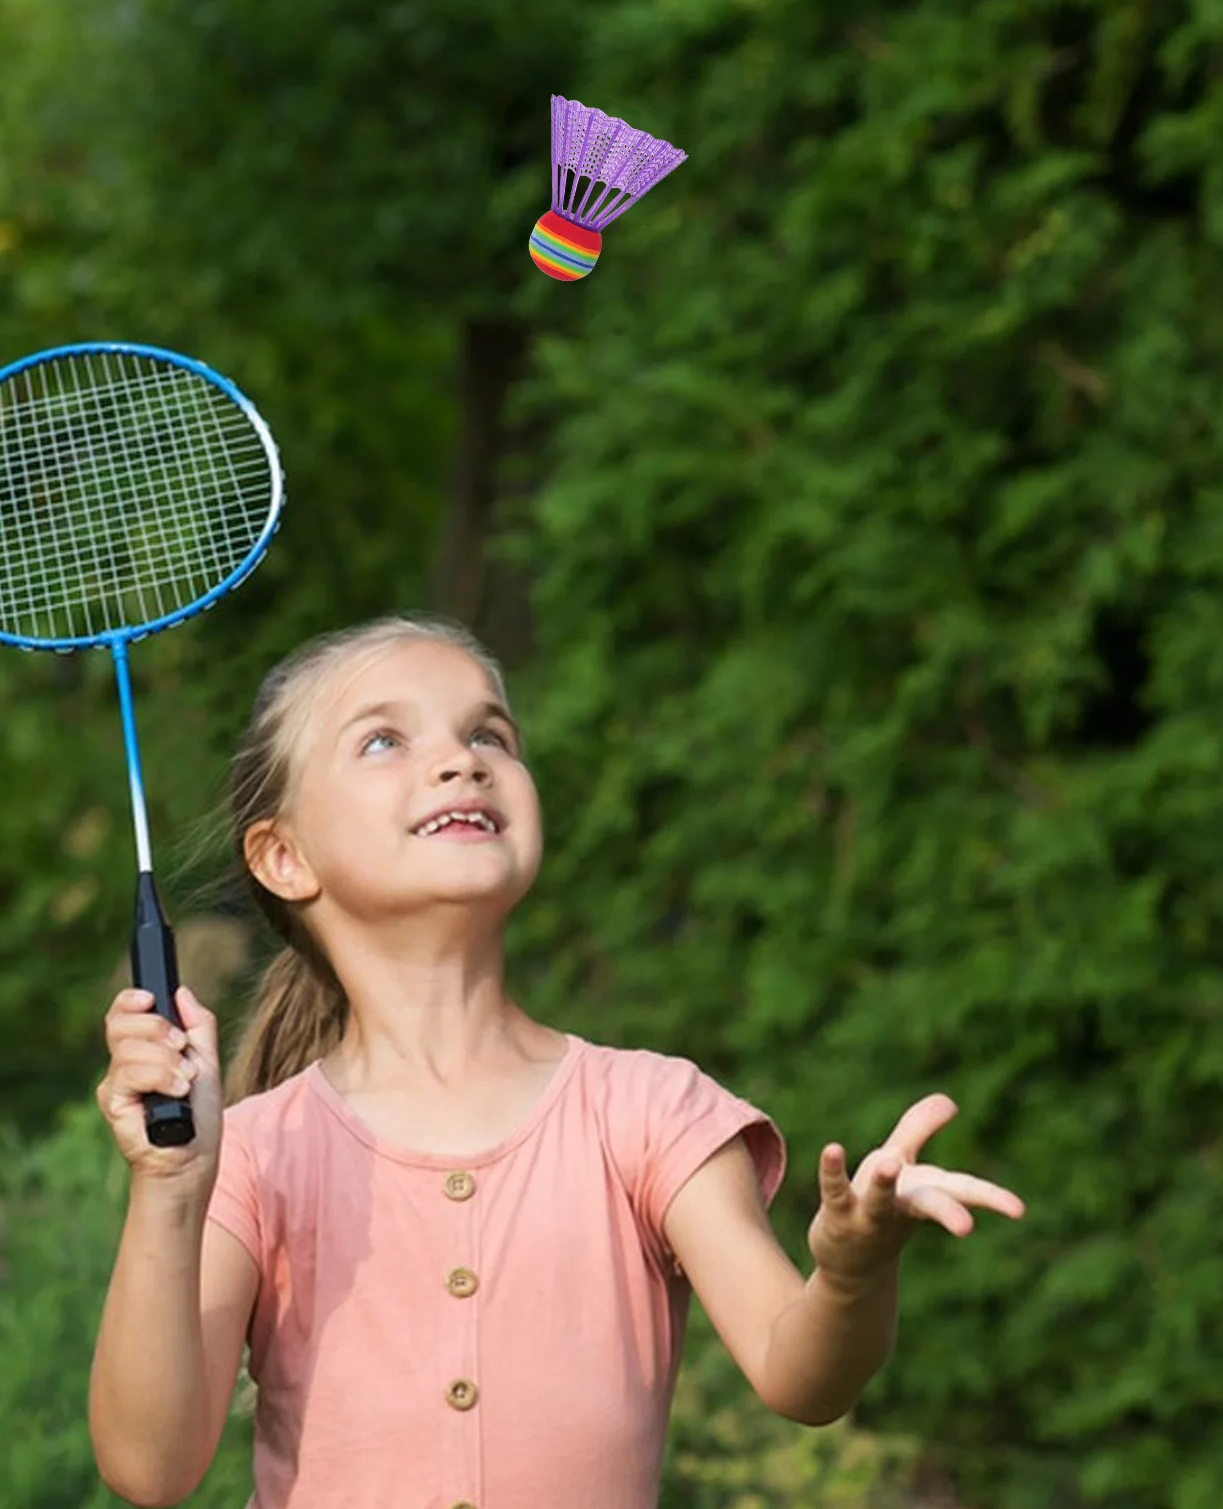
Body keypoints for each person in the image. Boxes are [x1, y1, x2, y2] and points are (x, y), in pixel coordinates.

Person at [88, 615, 1024, 1509]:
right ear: (285, 856)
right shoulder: (246, 1154)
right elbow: (150, 1467)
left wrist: (853, 1277)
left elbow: (800, 1374)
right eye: (384, 742)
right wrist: (170, 1190)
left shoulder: (651, 1111)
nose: (463, 761)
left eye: (490, 735)